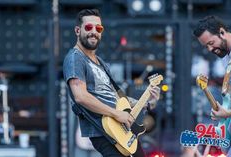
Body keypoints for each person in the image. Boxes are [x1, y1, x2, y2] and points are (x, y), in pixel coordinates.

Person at [63, 9, 160, 157]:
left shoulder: (101, 62)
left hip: (121, 130)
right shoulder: (76, 58)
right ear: (77, 30)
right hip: (104, 130)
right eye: (88, 27)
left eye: (98, 28)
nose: (94, 31)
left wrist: (148, 102)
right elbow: (80, 96)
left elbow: (119, 100)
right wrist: (116, 114)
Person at [193, 15, 231, 156]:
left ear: (222, 32)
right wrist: (222, 112)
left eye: (211, 42)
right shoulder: (227, 56)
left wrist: (228, 113)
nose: (210, 49)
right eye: (206, 46)